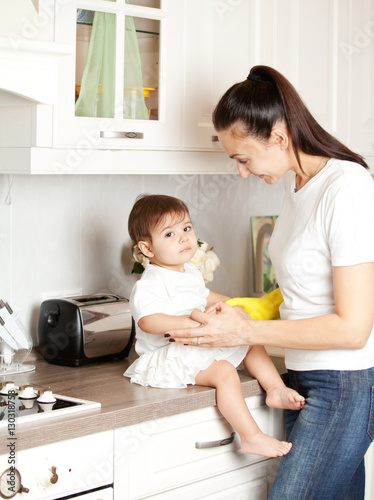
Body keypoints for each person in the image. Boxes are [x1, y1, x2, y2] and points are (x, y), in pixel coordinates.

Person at [165, 66, 374, 500]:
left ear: (279, 137)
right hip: (305, 377)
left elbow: (354, 330)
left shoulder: (347, 188)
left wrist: (245, 329)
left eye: (243, 159)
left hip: (346, 383)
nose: (241, 171)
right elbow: (299, 298)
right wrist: (222, 305)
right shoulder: (298, 187)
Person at [124, 193, 305, 458]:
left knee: (249, 337)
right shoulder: (150, 283)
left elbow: (206, 297)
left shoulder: (190, 272)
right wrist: (191, 323)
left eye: (186, 228)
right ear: (147, 249)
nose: (184, 237)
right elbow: (148, 320)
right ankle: (251, 436)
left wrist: (238, 307)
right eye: (170, 234)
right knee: (224, 373)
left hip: (197, 344)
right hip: (169, 356)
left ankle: (275, 388)